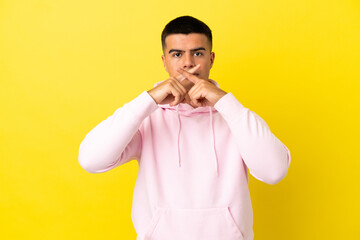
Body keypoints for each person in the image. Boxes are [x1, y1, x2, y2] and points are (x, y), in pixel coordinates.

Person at [78, 15, 291, 240]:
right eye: (177, 54)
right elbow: (91, 159)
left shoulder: (235, 117)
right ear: (164, 61)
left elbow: (274, 171)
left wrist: (226, 103)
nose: (188, 62)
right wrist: (147, 101)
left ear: (211, 58)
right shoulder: (147, 118)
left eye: (197, 53)